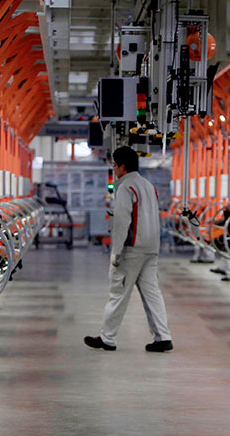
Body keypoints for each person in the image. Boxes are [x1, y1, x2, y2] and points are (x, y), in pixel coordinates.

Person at [84, 146, 173, 352]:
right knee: (153, 294)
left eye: (115, 165)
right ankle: (163, 337)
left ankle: (107, 338)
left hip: (132, 249)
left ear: (123, 166)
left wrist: (116, 251)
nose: (114, 169)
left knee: (118, 293)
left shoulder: (125, 188)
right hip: (151, 248)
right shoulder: (148, 185)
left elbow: (122, 221)